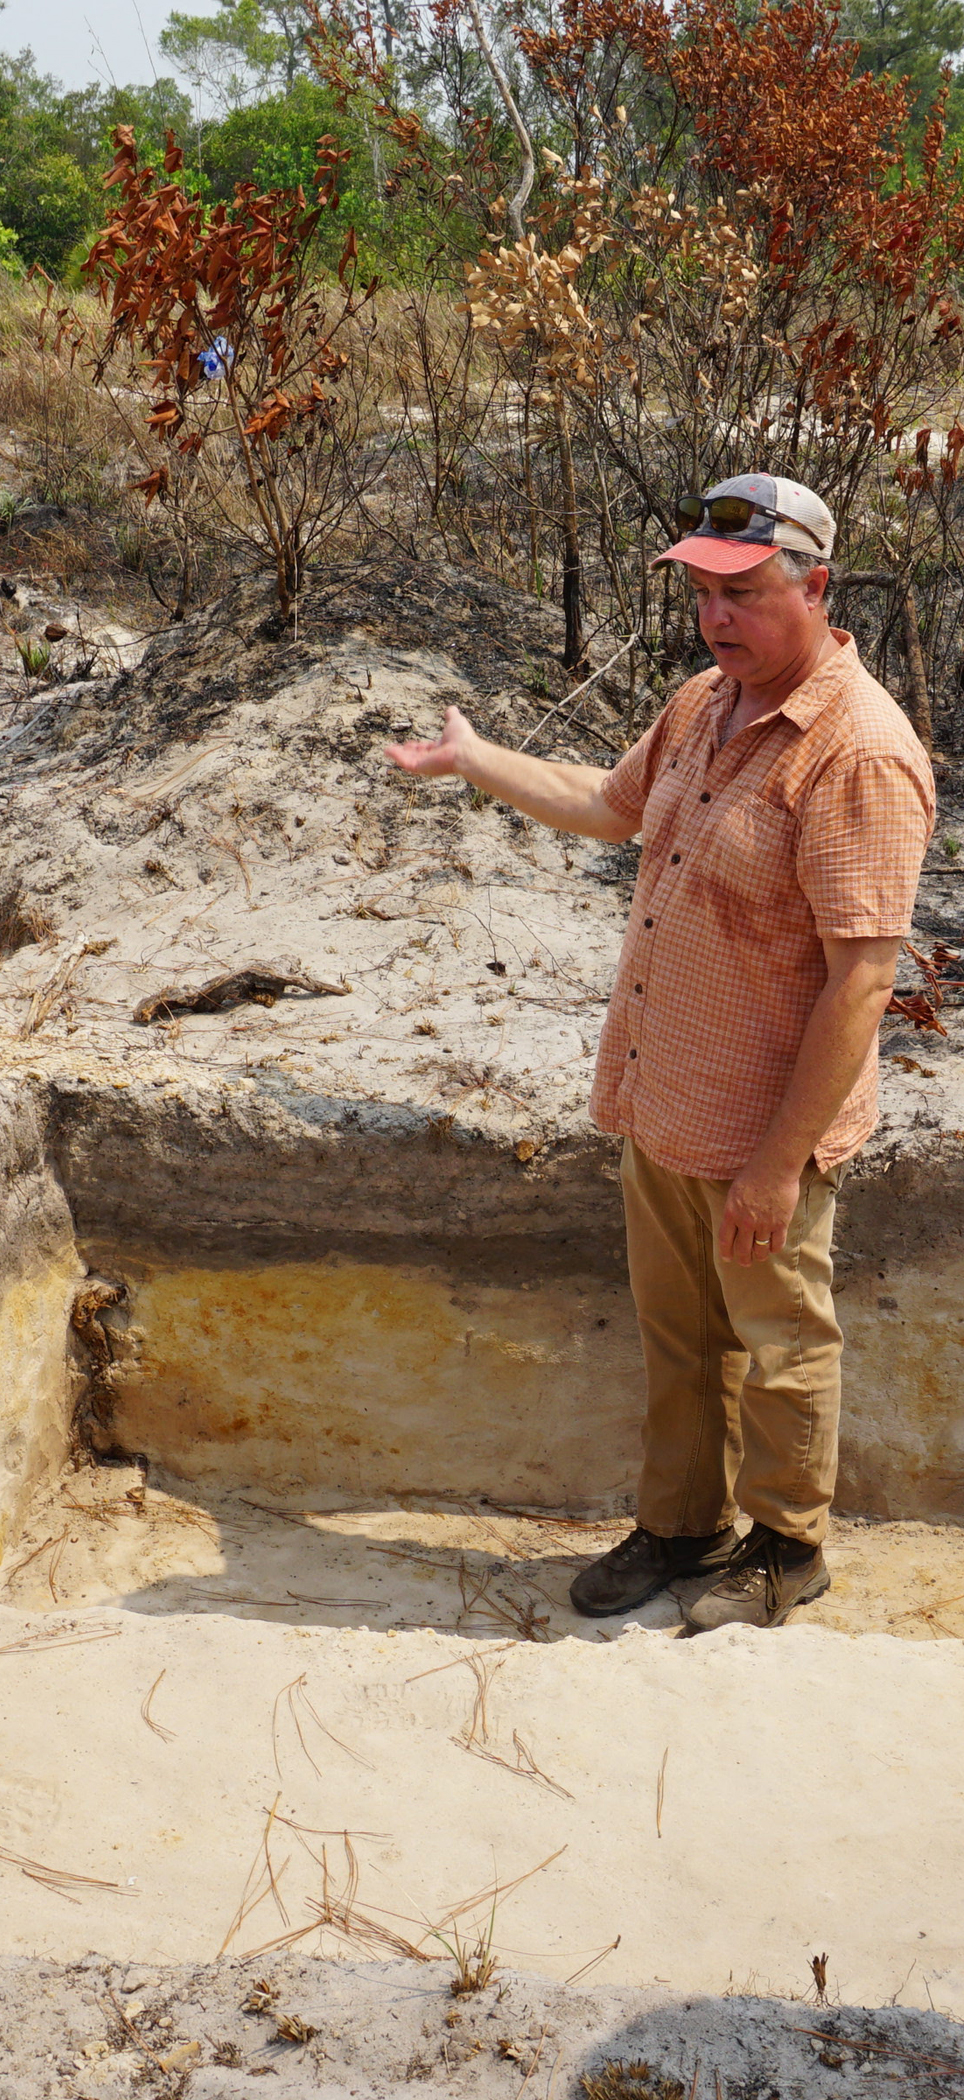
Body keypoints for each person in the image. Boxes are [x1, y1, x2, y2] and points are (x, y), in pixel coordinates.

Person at [384, 473, 934, 1631]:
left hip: (765, 1133)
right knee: (680, 1338)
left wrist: (779, 1167)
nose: (716, 616)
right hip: (667, 1102)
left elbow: (863, 981)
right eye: (700, 591)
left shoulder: (859, 753)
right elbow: (607, 801)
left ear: (817, 585)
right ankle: (684, 1527)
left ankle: (788, 1551)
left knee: (779, 1342)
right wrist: (478, 761)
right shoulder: (704, 704)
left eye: (743, 591)